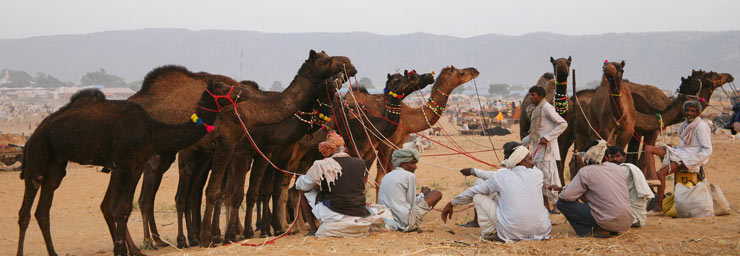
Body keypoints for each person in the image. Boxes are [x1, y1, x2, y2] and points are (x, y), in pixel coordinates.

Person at [441, 142, 551, 242]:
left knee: (477, 196)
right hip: (542, 231)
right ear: (522, 162)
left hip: (512, 232)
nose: (533, 162)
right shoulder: (538, 174)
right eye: (530, 159)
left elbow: (474, 191)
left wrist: (452, 203)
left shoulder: (502, 176)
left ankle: (489, 233)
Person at [296, 131, 373, 236]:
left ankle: (313, 230)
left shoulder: (322, 164)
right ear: (344, 149)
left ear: (329, 150)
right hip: (359, 211)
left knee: (304, 192)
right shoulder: (360, 162)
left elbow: (302, 185)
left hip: (336, 209)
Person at [643, 100, 713, 211]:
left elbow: (707, 149)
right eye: (687, 110)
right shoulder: (685, 124)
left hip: (689, 158)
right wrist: (674, 148)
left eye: (692, 111)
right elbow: (686, 144)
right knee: (648, 149)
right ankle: (653, 176)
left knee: (662, 173)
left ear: (698, 113)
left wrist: (690, 161)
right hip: (680, 152)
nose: (689, 113)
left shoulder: (701, 126)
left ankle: (659, 205)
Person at [556, 140, 632, 238]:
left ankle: (591, 231)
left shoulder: (585, 171)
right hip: (626, 221)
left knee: (562, 203)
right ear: (607, 157)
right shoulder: (617, 168)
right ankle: (609, 228)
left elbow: (566, 196)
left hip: (607, 221)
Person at [521, 86, 568, 213]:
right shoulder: (536, 110)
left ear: (541, 96)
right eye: (530, 95)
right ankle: (546, 206)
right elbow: (533, 135)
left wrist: (548, 138)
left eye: (534, 95)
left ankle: (556, 207)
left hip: (547, 151)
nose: (531, 97)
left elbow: (563, 124)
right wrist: (519, 145)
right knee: (540, 179)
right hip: (538, 151)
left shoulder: (547, 108)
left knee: (549, 178)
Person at [378, 148, 442, 232]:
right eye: (412, 163)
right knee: (437, 193)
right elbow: (411, 204)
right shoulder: (409, 176)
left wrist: (421, 195)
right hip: (404, 221)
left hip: (388, 218)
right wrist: (423, 194)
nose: (415, 166)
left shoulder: (387, 175)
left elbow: (401, 199)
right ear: (402, 164)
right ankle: (413, 224)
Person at [604, 146, 654, 227]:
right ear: (607, 158)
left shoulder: (625, 169)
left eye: (617, 156)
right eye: (612, 157)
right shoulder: (618, 169)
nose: (615, 159)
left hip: (634, 214)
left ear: (624, 158)